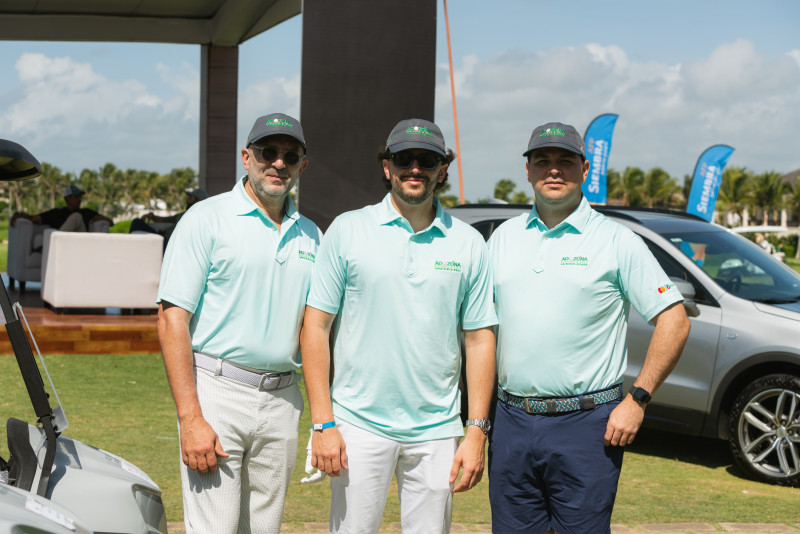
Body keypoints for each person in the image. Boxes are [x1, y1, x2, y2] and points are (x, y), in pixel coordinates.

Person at [487, 122, 691, 534]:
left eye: (566, 161)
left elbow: (674, 319)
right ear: (527, 171)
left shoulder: (617, 241)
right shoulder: (501, 240)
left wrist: (638, 400)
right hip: (510, 419)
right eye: (542, 161)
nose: (554, 170)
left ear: (585, 169)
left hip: (586, 424)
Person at [300, 118, 498, 534]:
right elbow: (315, 327)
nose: (415, 168)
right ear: (386, 166)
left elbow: (479, 339)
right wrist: (323, 422)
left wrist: (476, 432)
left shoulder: (468, 243)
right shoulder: (348, 230)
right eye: (403, 158)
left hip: (437, 430)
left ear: (443, 169)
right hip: (356, 423)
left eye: (426, 160)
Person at [157, 112, 320, 534]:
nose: (278, 163)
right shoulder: (206, 219)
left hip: (283, 399)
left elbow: (315, 330)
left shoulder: (312, 236)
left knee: (264, 529)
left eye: (290, 155)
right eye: (268, 152)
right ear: (246, 157)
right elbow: (172, 318)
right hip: (217, 393)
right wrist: (190, 417)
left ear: (303, 165)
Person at [11, 184, 113, 232]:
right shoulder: (56, 213)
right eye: (76, 196)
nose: (79, 199)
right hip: (65, 247)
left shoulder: (86, 212)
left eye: (80, 197)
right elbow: (33, 218)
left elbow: (111, 222)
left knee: (76, 216)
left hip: (79, 244)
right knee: (38, 239)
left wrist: (97, 218)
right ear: (67, 198)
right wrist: (19, 215)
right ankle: (57, 244)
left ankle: (57, 243)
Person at [129, 187, 209, 246]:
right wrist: (152, 217)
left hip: (170, 243)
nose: (187, 200)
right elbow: (164, 220)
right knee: (137, 222)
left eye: (190, 198)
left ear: (198, 201)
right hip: (162, 237)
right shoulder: (183, 214)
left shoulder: (199, 217)